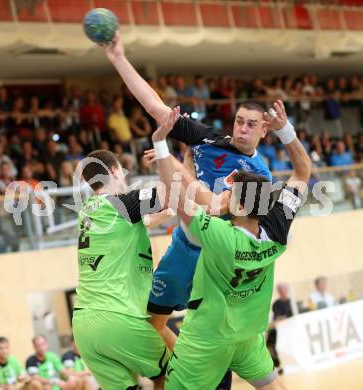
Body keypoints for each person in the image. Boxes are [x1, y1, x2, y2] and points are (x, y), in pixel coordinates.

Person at [102, 31, 271, 347]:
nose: (243, 128)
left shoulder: (260, 177)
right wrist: (119, 59)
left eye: (251, 124)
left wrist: (173, 164)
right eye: (239, 121)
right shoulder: (208, 139)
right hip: (185, 244)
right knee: (152, 323)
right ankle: (180, 369)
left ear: (264, 129)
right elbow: (157, 109)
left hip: (217, 259)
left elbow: (213, 205)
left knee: (214, 335)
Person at [151, 101, 310, 389]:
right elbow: (302, 172)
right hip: (248, 338)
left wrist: (161, 145)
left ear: (237, 203)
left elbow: (179, 195)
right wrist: (286, 132)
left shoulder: (217, 235)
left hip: (207, 339)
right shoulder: (277, 231)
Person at [72, 149, 173, 390]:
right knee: (171, 373)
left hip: (85, 327)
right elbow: (171, 192)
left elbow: (140, 222)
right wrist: (166, 157)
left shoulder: (87, 211)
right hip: (117, 317)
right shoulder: (119, 204)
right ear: (114, 170)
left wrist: (164, 215)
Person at [266, 284, 293, 375]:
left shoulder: (291, 302)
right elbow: (276, 318)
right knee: (270, 344)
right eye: (280, 290)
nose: (282, 292)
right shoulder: (276, 304)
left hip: (289, 329)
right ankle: (277, 365)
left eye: (284, 290)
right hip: (276, 329)